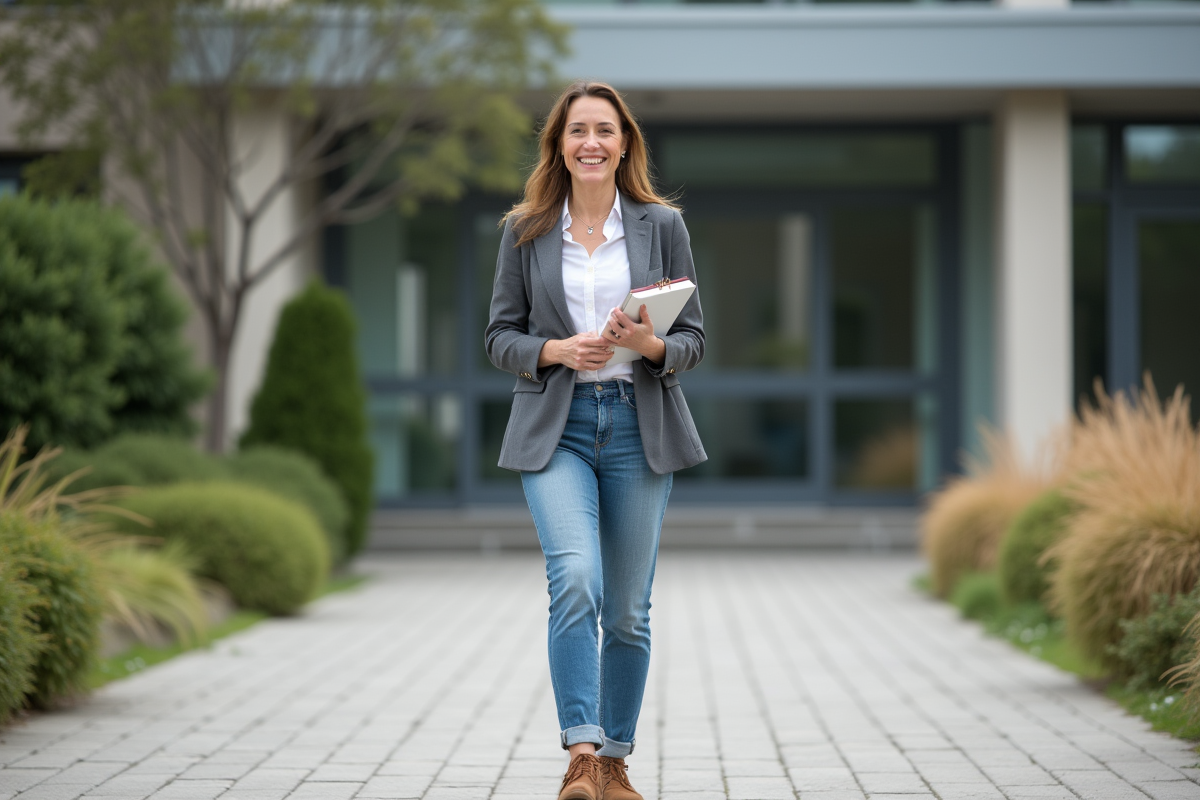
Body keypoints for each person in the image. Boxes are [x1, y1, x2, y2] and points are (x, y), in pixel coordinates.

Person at [485, 79, 706, 800]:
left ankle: (615, 763)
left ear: (624, 144)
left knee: (631, 611)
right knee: (576, 578)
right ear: (559, 144)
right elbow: (499, 337)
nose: (591, 143)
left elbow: (694, 338)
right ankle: (580, 753)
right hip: (560, 428)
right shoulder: (524, 229)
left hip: (639, 426)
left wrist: (648, 344)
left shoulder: (660, 225)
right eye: (577, 130)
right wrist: (553, 351)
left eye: (605, 131)